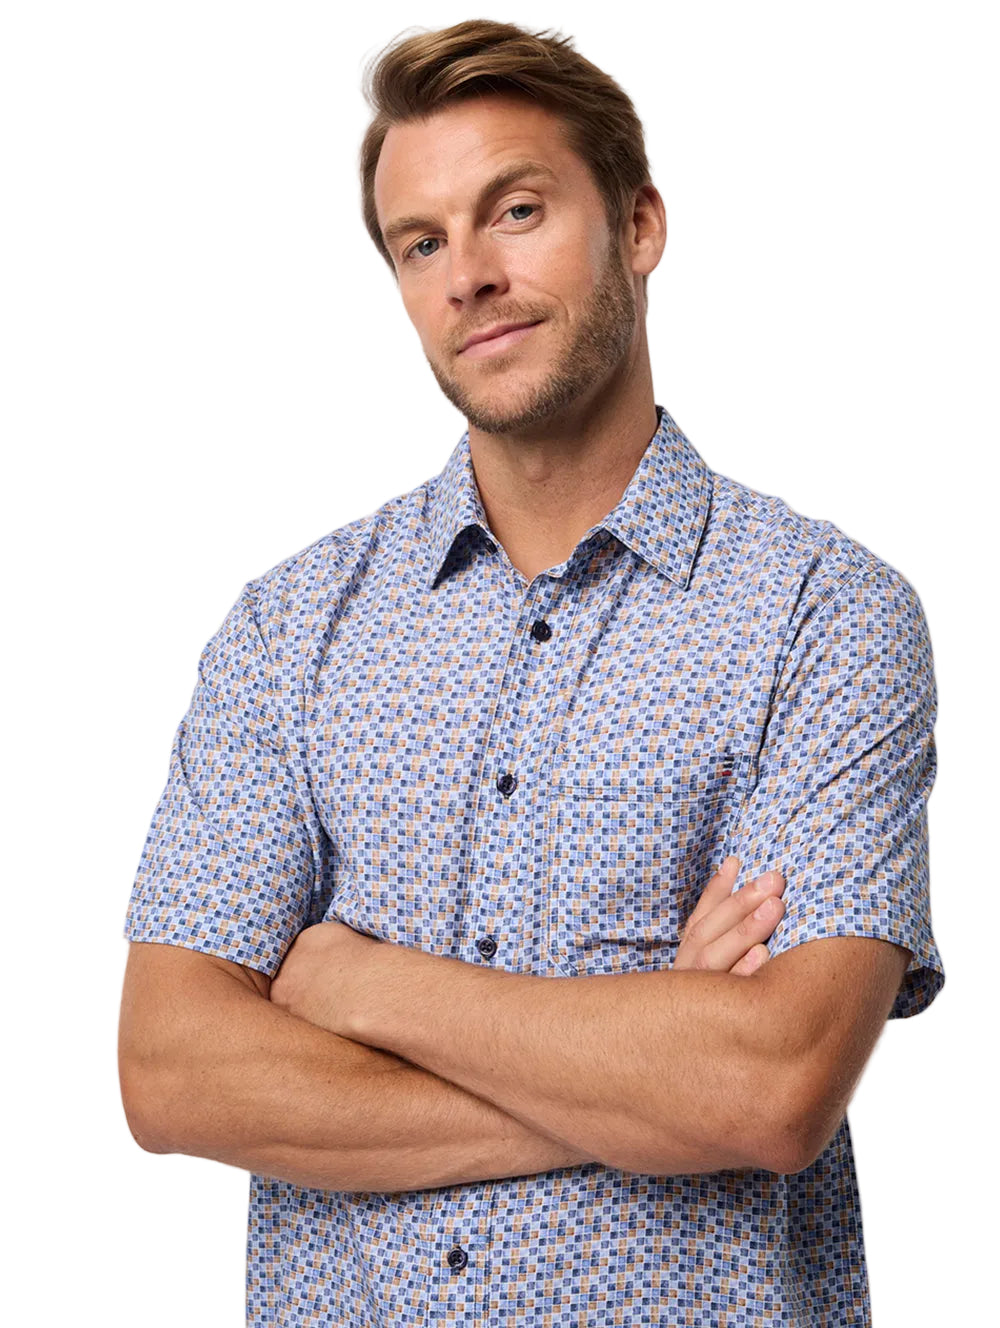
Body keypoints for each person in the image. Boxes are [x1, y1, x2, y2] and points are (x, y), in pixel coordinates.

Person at [117, 19, 945, 1326]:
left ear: (639, 224)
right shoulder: (290, 631)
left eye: (516, 210)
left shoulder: (827, 618)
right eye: (422, 242)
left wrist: (353, 983)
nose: (469, 277)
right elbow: (170, 1071)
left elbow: (772, 1090)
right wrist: (645, 1061)